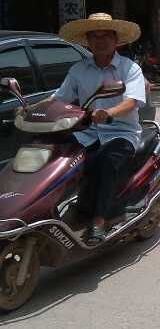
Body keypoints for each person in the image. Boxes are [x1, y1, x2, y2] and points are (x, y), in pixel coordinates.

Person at [55, 13, 146, 244]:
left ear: (116, 40)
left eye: (106, 35)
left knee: (107, 161)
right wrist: (32, 109)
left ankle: (99, 220)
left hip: (122, 133)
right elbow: (59, 99)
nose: (100, 40)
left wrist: (109, 113)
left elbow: (132, 101)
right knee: (57, 154)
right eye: (95, 36)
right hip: (87, 132)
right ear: (88, 41)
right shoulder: (78, 70)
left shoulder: (130, 68)